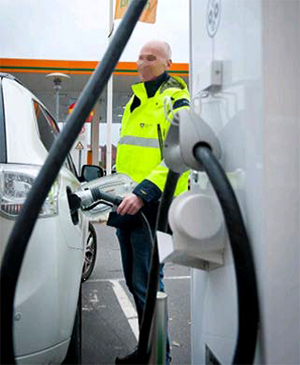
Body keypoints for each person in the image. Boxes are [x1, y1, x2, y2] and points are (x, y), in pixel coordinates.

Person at [108, 39, 190, 365]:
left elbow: (180, 148)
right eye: (140, 57)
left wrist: (143, 192)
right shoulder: (135, 102)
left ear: (168, 63)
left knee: (148, 286)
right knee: (135, 282)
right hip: (127, 206)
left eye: (152, 57)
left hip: (153, 207)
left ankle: (160, 357)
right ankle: (146, 351)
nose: (143, 62)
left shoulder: (175, 98)